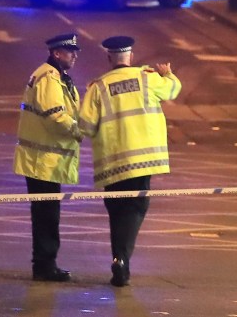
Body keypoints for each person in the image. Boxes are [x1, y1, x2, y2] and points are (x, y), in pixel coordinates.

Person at [78, 35, 182, 287]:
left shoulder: (98, 87)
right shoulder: (147, 77)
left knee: (116, 212)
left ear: (108, 58)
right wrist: (168, 74)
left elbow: (86, 127)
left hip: (112, 162)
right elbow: (173, 90)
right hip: (141, 159)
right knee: (135, 208)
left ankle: (119, 260)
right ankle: (121, 260)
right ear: (131, 58)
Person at [13, 33, 84, 283]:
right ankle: (44, 266)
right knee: (46, 216)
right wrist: (79, 131)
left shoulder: (56, 77)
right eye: (70, 51)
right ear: (56, 53)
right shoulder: (48, 78)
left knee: (47, 214)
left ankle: (45, 263)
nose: (75, 55)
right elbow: (56, 115)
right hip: (41, 159)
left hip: (45, 159)